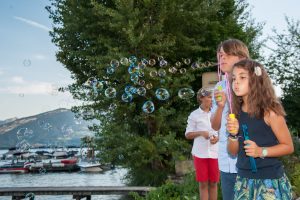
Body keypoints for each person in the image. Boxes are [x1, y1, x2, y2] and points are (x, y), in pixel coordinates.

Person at [227, 59, 294, 199]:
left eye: (242, 77)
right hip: (243, 181)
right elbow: (232, 152)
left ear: (256, 81)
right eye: (233, 78)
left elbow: (288, 146)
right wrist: (232, 135)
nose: (236, 82)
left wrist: (260, 151)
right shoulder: (235, 113)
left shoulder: (270, 112)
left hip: (269, 181)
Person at [210, 39, 250, 200]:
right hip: (226, 163)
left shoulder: (252, 83)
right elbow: (214, 125)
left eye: (227, 54)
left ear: (241, 58)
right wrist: (220, 106)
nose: (222, 58)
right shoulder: (219, 87)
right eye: (220, 55)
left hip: (248, 161)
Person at [185, 87, 219, 200]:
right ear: (201, 98)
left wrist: (217, 138)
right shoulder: (194, 115)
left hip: (215, 153)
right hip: (200, 154)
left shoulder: (216, 113)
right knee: (203, 184)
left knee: (214, 183)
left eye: (212, 97)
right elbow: (187, 134)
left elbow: (220, 131)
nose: (212, 100)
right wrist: (200, 133)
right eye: (209, 97)